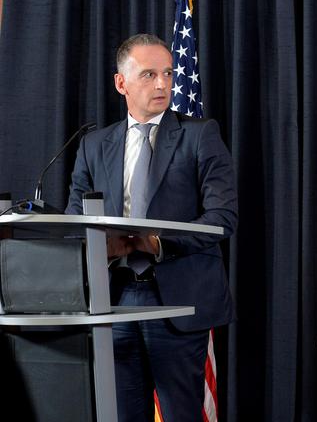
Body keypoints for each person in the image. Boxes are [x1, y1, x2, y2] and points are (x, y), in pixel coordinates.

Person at [66, 33, 238, 422]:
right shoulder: (94, 145)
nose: (162, 84)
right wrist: (101, 248)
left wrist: (155, 242)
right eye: (148, 74)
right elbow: (74, 219)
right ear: (121, 83)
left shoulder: (199, 136)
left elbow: (222, 219)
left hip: (176, 301)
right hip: (114, 300)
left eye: (167, 73)